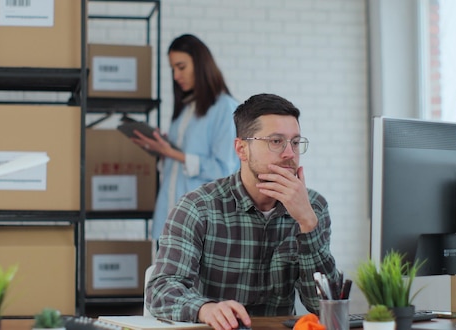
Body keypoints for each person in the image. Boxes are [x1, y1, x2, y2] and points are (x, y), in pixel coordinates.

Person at [145, 93, 342, 330]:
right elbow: (161, 289)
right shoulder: (198, 207)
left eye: (296, 142)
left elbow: (324, 306)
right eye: (276, 141)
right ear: (242, 149)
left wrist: (308, 224)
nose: (290, 153)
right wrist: (204, 309)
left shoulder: (313, 207)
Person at [130, 34, 240, 241]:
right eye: (172, 69)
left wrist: (172, 153)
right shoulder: (184, 111)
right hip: (169, 219)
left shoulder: (225, 109)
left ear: (200, 64)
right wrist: (162, 150)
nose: (176, 76)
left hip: (201, 224)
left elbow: (224, 171)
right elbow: (175, 171)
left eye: (181, 67)